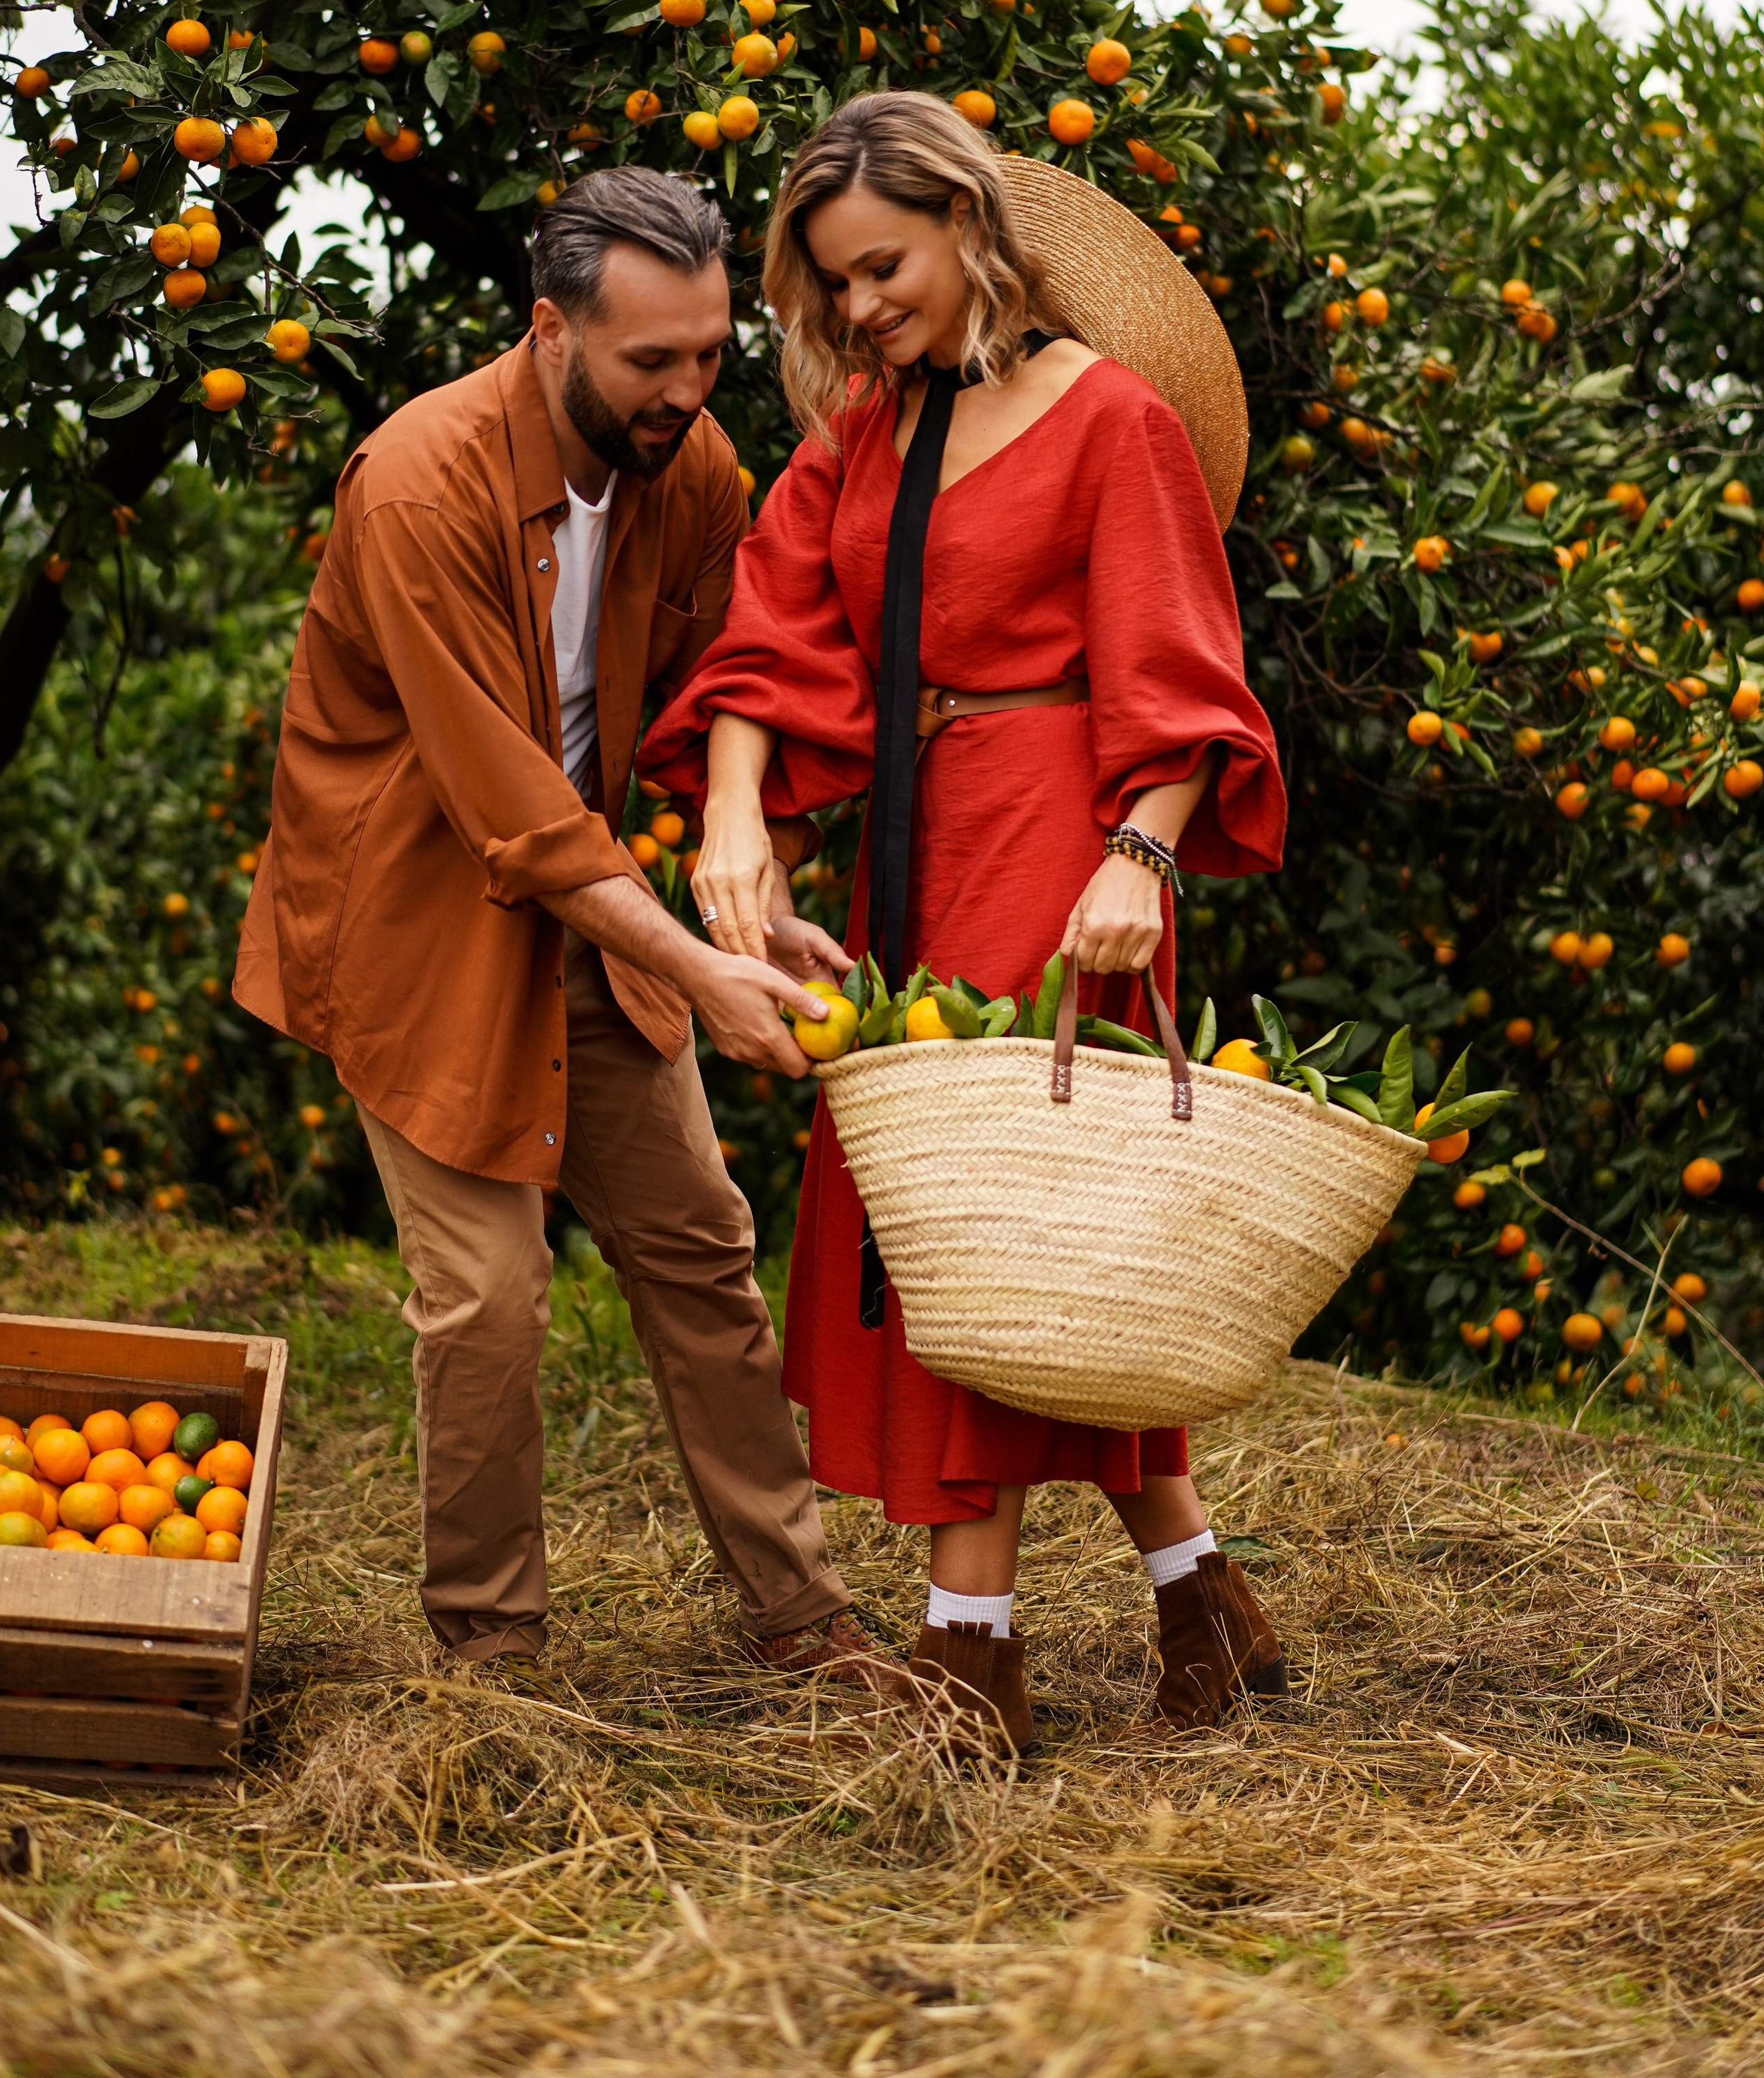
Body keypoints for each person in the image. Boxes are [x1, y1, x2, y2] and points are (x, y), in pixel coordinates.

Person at [641, 93, 1290, 1747]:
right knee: (1012, 1244)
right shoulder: (867, 431)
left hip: (1063, 849)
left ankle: (967, 1660)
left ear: (968, 230)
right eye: (832, 284)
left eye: (883, 267)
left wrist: (1138, 859)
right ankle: (1202, 1602)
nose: (858, 307)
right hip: (913, 851)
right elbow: (772, 627)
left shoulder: (1110, 419)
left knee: (982, 1220)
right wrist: (734, 813)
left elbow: (1180, 667)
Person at [234, 166, 889, 1683]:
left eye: (708, 354)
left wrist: (759, 898)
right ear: (549, 329)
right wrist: (695, 969)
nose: (685, 391)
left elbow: (725, 705)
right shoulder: (421, 482)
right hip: (421, 917)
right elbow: (510, 809)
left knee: (702, 1251)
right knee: (486, 1295)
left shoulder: (695, 469)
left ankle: (801, 1615)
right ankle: (493, 1656)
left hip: (590, 906)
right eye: (649, 359)